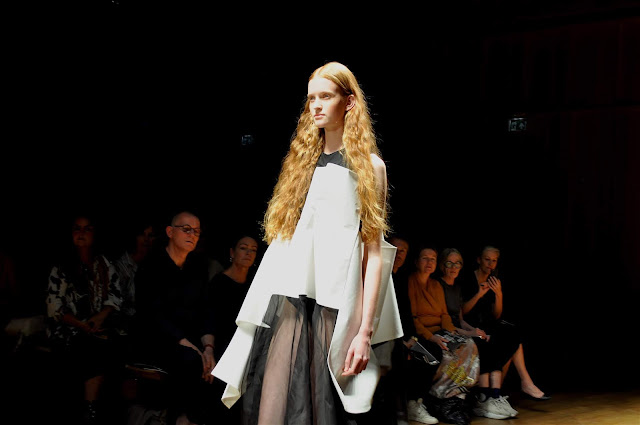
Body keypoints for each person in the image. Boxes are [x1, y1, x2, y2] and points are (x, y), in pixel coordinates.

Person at [213, 61, 403, 425]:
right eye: (311, 98)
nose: (316, 105)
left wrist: (365, 331)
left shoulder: (371, 167)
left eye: (326, 96)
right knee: (277, 403)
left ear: (349, 102)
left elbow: (374, 253)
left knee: (328, 405)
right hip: (292, 299)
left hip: (338, 302)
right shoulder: (300, 164)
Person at [132, 210, 216, 425]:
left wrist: (208, 348)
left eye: (196, 231)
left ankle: (196, 418)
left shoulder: (198, 266)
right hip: (158, 338)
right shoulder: (151, 266)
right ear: (170, 232)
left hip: (191, 338)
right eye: (186, 229)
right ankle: (180, 417)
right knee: (190, 360)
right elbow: (153, 316)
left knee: (219, 361)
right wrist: (193, 348)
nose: (192, 235)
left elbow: (205, 310)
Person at [45, 213, 123, 425]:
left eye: (87, 229)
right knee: (89, 347)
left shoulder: (103, 264)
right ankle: (90, 408)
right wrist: (82, 325)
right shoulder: (61, 267)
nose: (82, 233)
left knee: (115, 347)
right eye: (77, 228)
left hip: (97, 326)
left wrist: (100, 317)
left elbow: (115, 296)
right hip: (68, 329)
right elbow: (55, 309)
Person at [436, 248, 518, 420]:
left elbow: (462, 318)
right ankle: (484, 397)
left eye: (457, 264)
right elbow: (452, 319)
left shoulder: (457, 287)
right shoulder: (444, 285)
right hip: (451, 330)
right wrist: (471, 330)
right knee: (482, 344)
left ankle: (494, 395)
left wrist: (498, 294)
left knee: (503, 338)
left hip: (469, 327)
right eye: (450, 263)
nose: (454, 267)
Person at [461, 245, 550, 401]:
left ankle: (511, 387)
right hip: (470, 325)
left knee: (513, 335)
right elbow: (463, 311)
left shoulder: (493, 280)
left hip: (488, 323)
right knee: (507, 340)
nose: (490, 264)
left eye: (494, 261)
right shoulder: (468, 278)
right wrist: (479, 294)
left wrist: (498, 293)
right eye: (487, 260)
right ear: (479, 260)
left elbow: (496, 314)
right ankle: (517, 385)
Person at [408, 246, 475, 425]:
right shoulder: (410, 282)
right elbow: (412, 318)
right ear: (416, 261)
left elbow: (444, 315)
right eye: (425, 258)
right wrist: (432, 337)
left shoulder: (436, 285)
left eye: (433, 259)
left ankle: (455, 398)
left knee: (467, 344)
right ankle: (429, 400)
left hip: (440, 331)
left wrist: (450, 332)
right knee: (439, 352)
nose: (429, 262)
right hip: (422, 334)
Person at [208, 233, 259, 424]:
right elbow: (211, 319)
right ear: (232, 252)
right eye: (243, 248)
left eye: (253, 250)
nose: (248, 253)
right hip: (223, 348)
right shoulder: (218, 283)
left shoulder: (255, 285)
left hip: (248, 348)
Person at [112, 218, 156, 336]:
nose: (146, 239)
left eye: (150, 235)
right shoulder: (120, 267)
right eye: (142, 235)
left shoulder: (155, 265)